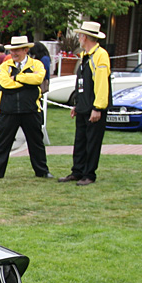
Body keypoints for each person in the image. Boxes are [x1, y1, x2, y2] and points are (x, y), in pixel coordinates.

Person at [0, 36, 52, 180]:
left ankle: (42, 171)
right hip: (8, 111)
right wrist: (27, 79)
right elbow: (5, 83)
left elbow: (38, 79)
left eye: (17, 50)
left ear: (26, 50)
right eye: (12, 50)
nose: (13, 53)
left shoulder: (37, 64)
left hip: (31, 110)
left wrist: (16, 78)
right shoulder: (5, 65)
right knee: (3, 143)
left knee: (36, 143)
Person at [60, 21, 111, 186]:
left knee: (92, 142)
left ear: (85, 37)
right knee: (80, 140)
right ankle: (77, 171)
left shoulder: (100, 55)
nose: (79, 38)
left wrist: (98, 108)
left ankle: (89, 174)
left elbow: (102, 83)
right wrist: (77, 104)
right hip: (84, 106)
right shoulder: (85, 56)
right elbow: (82, 83)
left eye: (80, 35)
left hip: (94, 108)